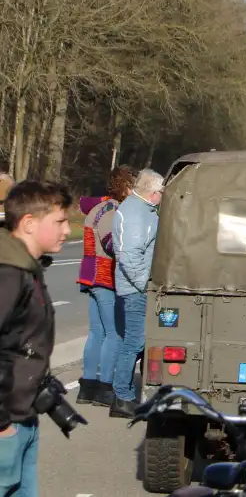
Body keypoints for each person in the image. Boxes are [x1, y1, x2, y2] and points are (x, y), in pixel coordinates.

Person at [0, 181, 72, 497]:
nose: (67, 230)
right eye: (59, 221)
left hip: (23, 417)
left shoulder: (27, 268)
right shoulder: (8, 273)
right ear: (29, 224)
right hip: (7, 422)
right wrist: (2, 425)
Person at [74, 165, 137, 408]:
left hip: (92, 276)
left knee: (97, 332)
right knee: (115, 333)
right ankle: (105, 387)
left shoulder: (98, 207)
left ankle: (87, 387)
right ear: (126, 186)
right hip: (105, 277)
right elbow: (111, 244)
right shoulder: (112, 211)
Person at [108, 169, 164, 418]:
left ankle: (129, 393)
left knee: (137, 342)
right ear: (154, 193)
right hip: (135, 289)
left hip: (136, 287)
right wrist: (144, 284)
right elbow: (130, 255)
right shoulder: (136, 214)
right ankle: (122, 396)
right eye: (162, 192)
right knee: (134, 342)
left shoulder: (142, 211)